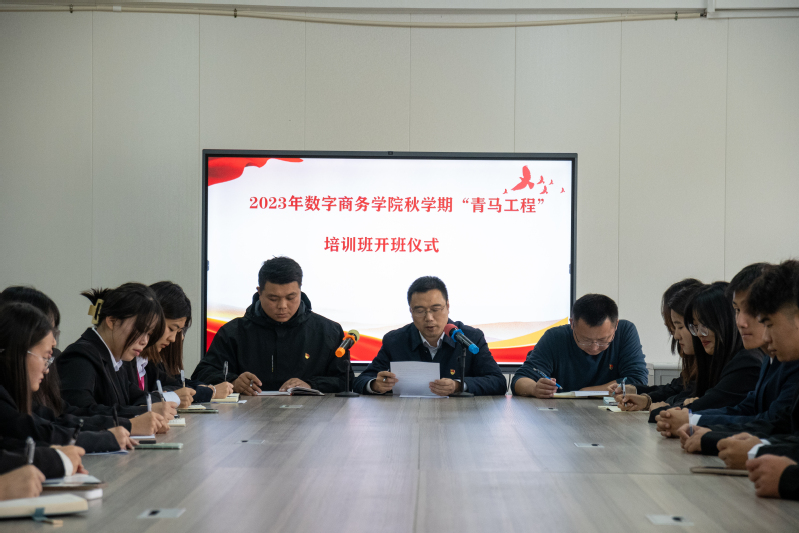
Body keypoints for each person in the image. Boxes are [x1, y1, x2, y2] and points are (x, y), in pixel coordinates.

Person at [675, 261, 799, 475]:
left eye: (768, 323)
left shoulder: (755, 360)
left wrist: (754, 451)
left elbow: (775, 423)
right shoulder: (772, 359)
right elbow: (758, 414)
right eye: (737, 310)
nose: (740, 322)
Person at [193, 257, 352, 395]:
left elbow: (345, 380)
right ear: (259, 292)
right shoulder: (233, 332)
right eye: (273, 299)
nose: (282, 306)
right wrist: (233, 382)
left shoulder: (328, 331)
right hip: (248, 416)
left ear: (300, 290)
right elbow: (202, 374)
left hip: (313, 416)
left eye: (291, 297)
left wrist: (311, 385)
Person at [0, 286, 146, 435]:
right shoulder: (79, 357)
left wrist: (138, 416)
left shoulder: (117, 359)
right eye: (46, 331)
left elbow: (61, 417)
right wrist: (125, 426)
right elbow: (52, 427)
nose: (53, 341)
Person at [352, 276, 506, 396]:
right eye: (420, 311)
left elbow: (498, 382)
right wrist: (375, 385)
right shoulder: (395, 340)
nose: (429, 318)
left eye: (435, 309)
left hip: (457, 417)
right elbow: (361, 380)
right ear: (411, 311)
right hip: (407, 415)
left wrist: (458, 385)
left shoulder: (470, 337)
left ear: (448, 306)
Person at [57, 283, 174, 434]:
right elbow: (79, 413)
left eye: (149, 334)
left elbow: (139, 397)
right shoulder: (79, 358)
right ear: (112, 321)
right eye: (140, 330)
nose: (145, 341)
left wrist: (151, 406)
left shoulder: (117, 359)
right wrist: (141, 413)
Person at [654, 281, 764, 436]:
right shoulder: (718, 358)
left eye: (705, 325)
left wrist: (673, 413)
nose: (699, 333)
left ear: (724, 320)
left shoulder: (747, 363)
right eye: (695, 326)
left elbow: (716, 406)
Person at [512, 294, 648, 397]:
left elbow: (637, 381)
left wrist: (584, 392)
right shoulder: (555, 337)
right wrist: (534, 388)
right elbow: (520, 379)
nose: (594, 347)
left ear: (616, 325)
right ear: (572, 323)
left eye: (603, 340)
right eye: (585, 340)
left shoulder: (625, 332)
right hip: (562, 415)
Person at [612, 279, 703, 411]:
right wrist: (640, 394)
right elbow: (677, 388)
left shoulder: (715, 359)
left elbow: (691, 398)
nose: (675, 335)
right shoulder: (692, 356)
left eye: (678, 326)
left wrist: (652, 403)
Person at [137, 282, 233, 404]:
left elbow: (175, 383)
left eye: (179, 332)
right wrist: (210, 392)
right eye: (172, 329)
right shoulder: (129, 361)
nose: (175, 339)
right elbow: (137, 401)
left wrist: (205, 389)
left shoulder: (148, 361)